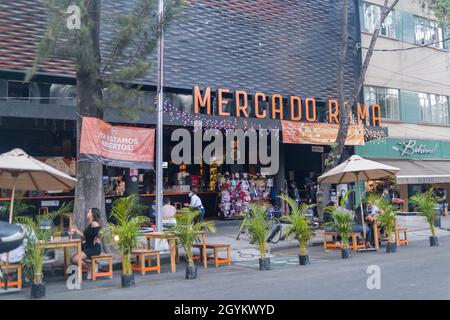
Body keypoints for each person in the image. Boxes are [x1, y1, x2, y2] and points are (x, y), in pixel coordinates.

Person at [69, 208, 102, 278]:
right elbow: (85, 236)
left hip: (93, 248)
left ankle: (91, 268)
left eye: (89, 212)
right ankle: (93, 266)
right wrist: (76, 230)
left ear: (92, 214)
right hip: (88, 247)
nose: (87, 213)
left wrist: (97, 238)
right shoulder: (90, 224)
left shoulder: (94, 223)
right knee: (72, 259)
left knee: (75, 259)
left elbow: (99, 232)